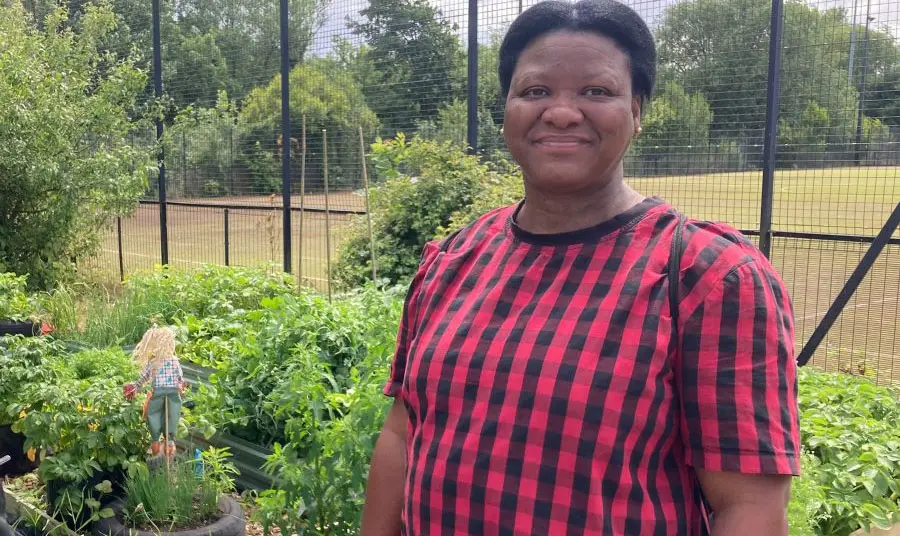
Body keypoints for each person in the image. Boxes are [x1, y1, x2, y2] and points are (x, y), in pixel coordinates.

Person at [360, 1, 800, 535]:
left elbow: (748, 508)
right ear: (508, 109)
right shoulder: (453, 260)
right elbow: (404, 434)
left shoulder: (707, 279)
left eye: (596, 91)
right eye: (536, 91)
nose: (562, 112)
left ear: (637, 110)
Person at [124, 325, 186, 460]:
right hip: (173, 395)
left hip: (157, 394)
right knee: (172, 418)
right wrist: (181, 387)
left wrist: (135, 387)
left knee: (154, 417)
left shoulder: (153, 363)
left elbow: (142, 378)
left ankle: (156, 444)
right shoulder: (175, 362)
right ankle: (169, 444)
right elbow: (180, 379)